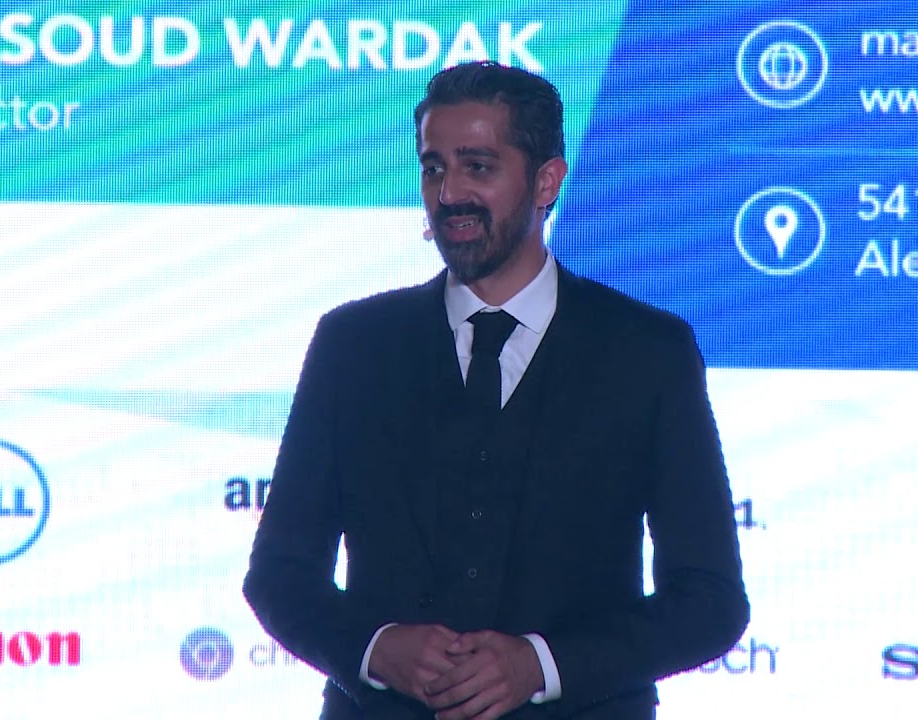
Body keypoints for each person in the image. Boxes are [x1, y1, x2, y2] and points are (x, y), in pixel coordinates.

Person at [243, 60, 748, 720]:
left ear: (546, 181)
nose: (449, 192)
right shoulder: (354, 345)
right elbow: (279, 575)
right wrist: (375, 649)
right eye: (433, 168)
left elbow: (710, 601)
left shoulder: (647, 353)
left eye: (477, 167)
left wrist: (542, 665)